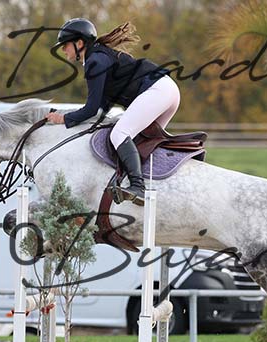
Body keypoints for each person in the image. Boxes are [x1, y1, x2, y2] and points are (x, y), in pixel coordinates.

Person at [45, 18, 181, 206]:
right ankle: (156, 186)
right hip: (166, 90)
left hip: (158, 91)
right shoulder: (98, 57)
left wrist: (63, 119)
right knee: (140, 139)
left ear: (79, 43)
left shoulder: (95, 61)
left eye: (65, 45)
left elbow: (92, 108)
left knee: (119, 134)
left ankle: (138, 187)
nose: (63, 49)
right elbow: (101, 107)